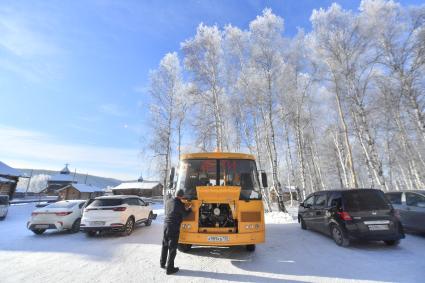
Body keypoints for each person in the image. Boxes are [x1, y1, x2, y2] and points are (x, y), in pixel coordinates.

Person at [160, 189, 192, 275]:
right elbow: (185, 214)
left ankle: (162, 263)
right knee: (172, 248)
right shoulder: (180, 203)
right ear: (181, 196)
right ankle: (170, 269)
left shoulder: (168, 201)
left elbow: (169, 212)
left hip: (166, 225)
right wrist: (189, 209)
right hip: (174, 227)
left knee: (165, 245)